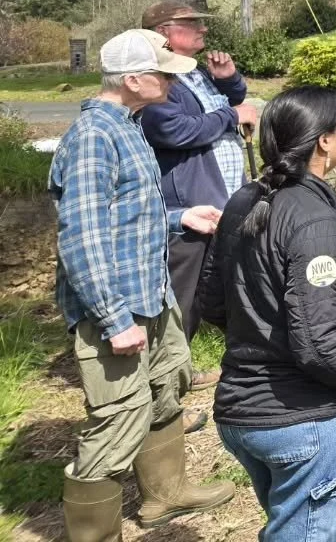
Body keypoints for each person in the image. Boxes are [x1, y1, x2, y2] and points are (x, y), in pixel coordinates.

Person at [51, 30, 235, 541]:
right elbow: (83, 238)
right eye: (164, 73)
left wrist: (180, 219)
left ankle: (164, 496)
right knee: (115, 424)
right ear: (133, 80)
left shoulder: (127, 125)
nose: (173, 82)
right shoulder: (94, 138)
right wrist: (114, 319)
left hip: (152, 298)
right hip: (119, 310)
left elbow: (124, 214)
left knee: (164, 393)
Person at [199, 86, 336, 541]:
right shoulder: (312, 221)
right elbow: (320, 341)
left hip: (244, 414)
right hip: (302, 422)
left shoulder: (244, 200)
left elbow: (212, 302)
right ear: (324, 140)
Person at [139, 0, 259, 424]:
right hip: (187, 207)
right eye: (193, 25)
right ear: (166, 31)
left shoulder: (192, 72)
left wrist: (229, 81)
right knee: (183, 300)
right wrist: (232, 114)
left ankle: (182, 373)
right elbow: (173, 129)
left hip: (216, 201)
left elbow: (229, 101)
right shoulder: (156, 81)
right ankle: (164, 403)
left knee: (218, 291)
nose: (203, 31)